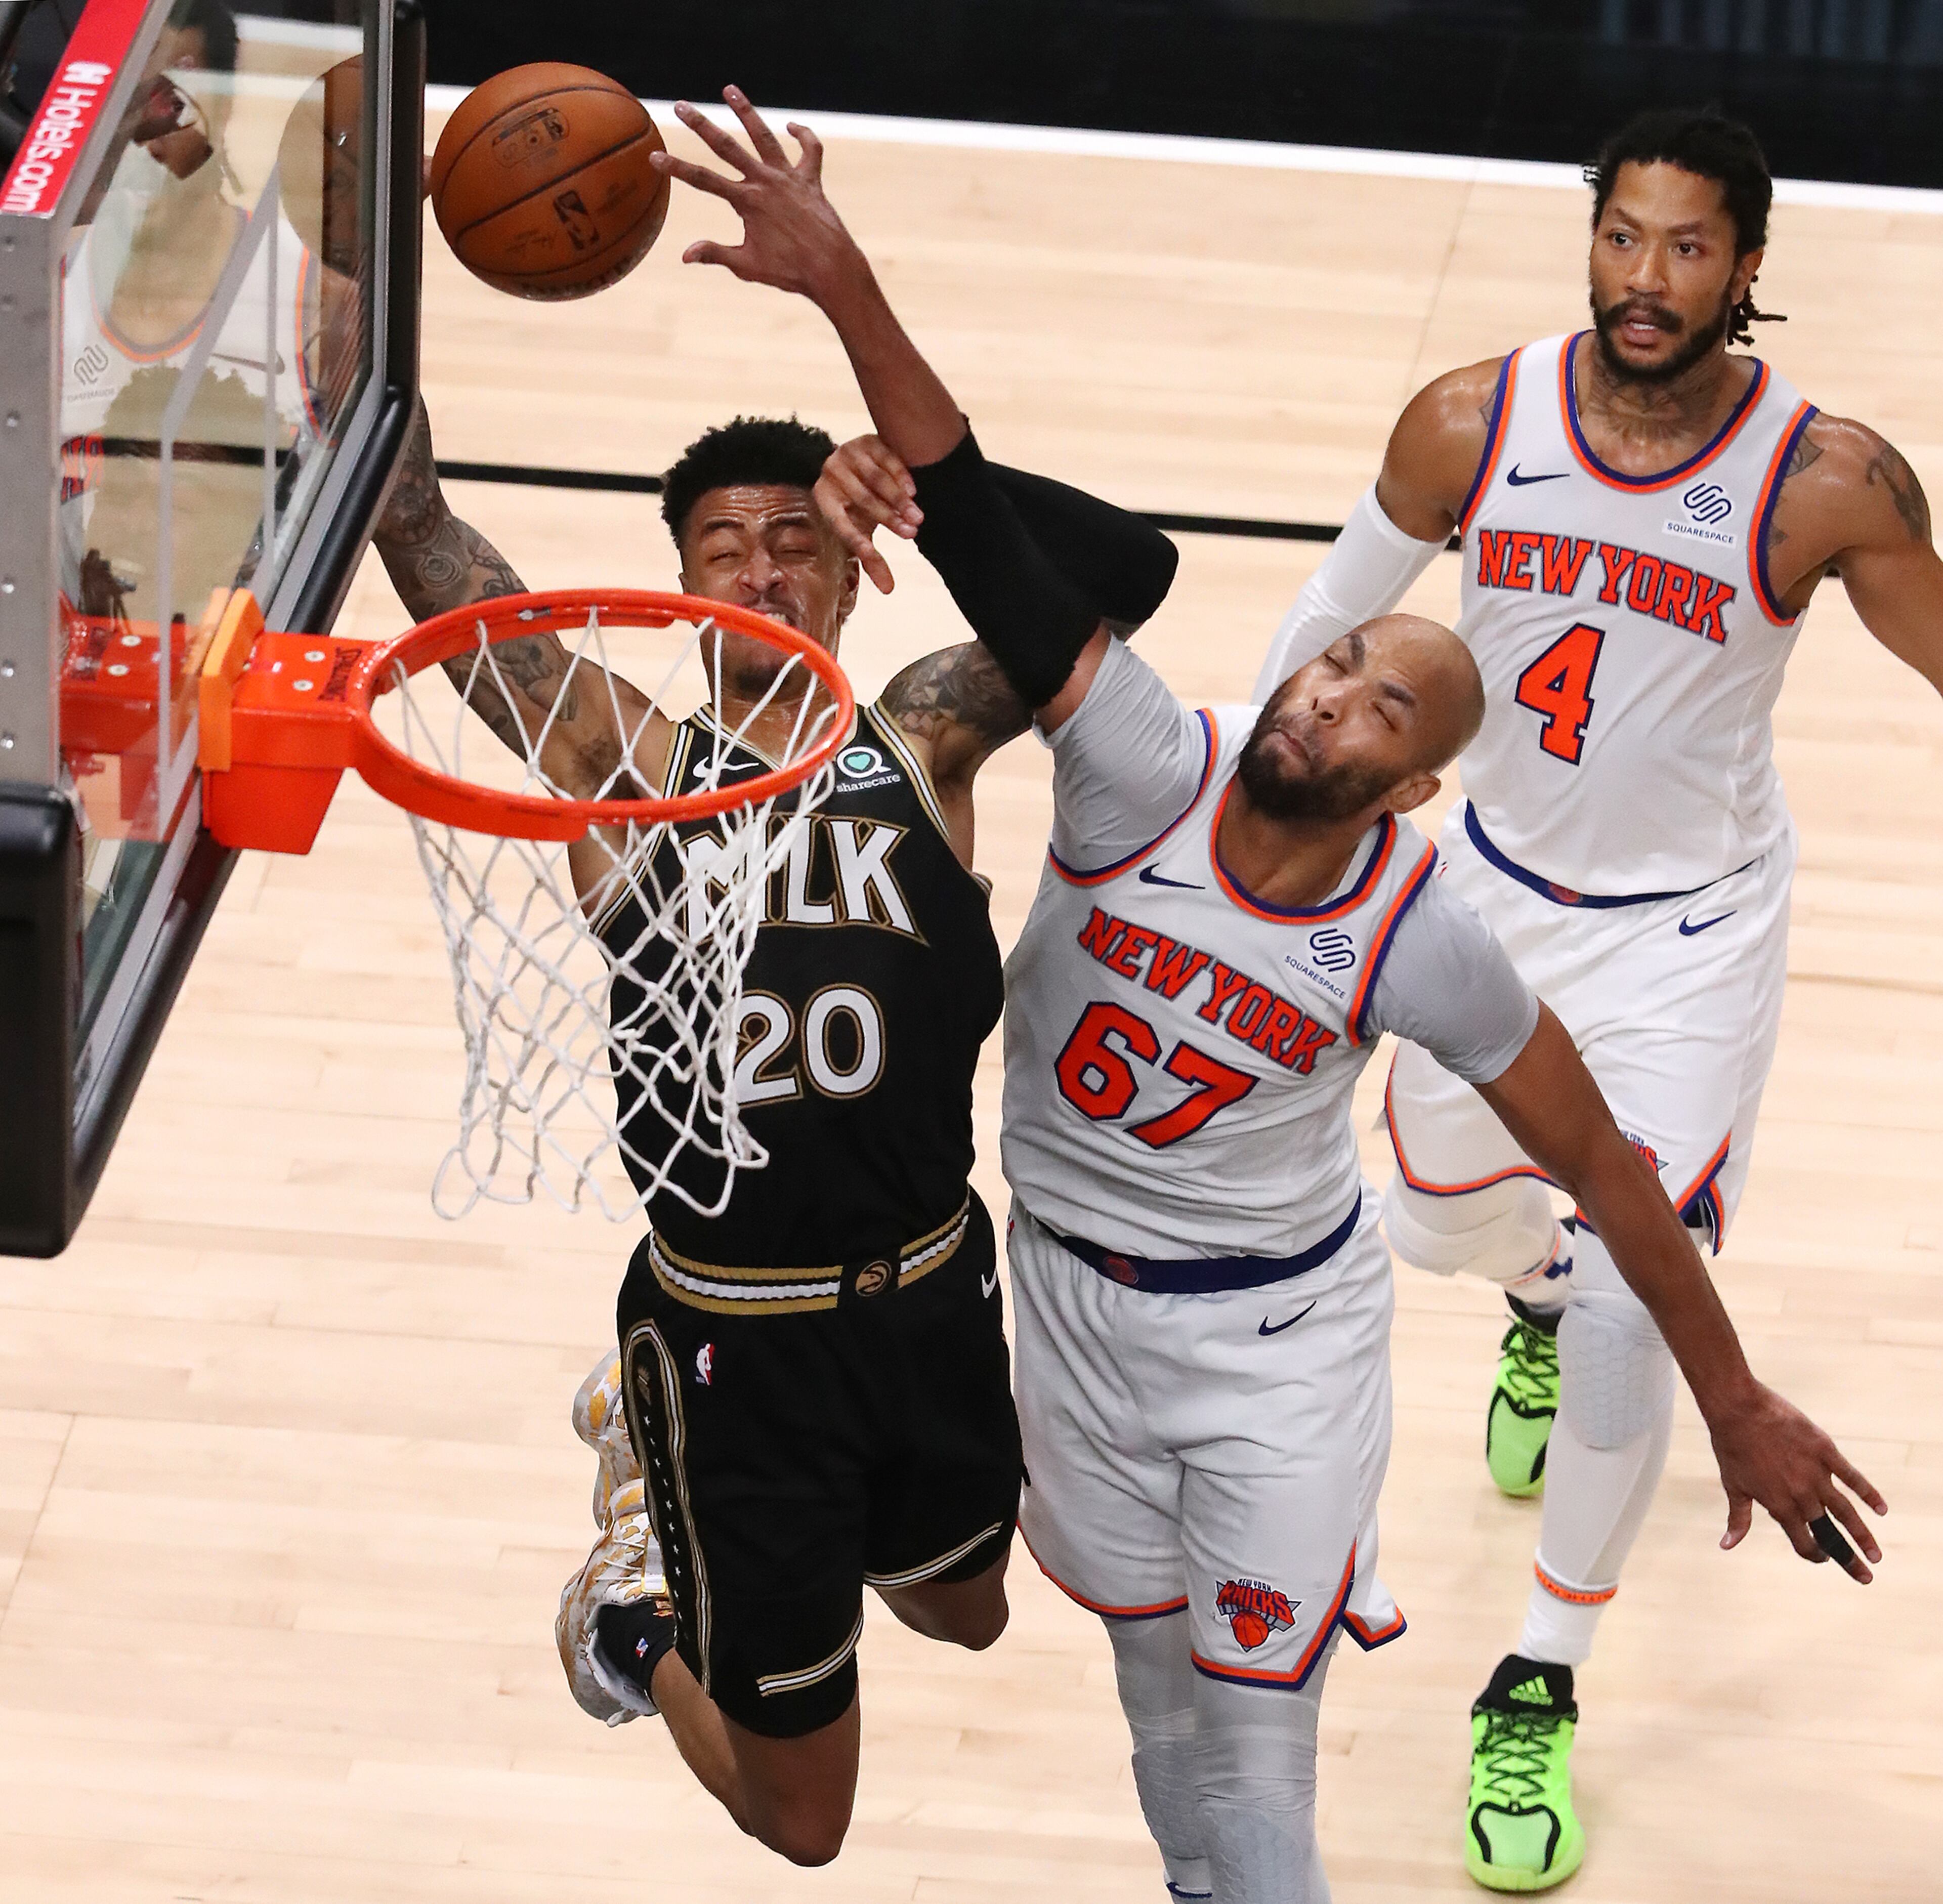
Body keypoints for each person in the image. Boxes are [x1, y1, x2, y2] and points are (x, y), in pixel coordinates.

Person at [654, 89, 1886, 1904]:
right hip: (1069, 1312)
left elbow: (1612, 1170)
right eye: (1336, 664)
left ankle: (1488, 1694)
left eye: (1381, 706)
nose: (1328, 696)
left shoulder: (1420, 928)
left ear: (1413, 791)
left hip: (1276, 1350)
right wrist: (845, 286)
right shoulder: (1143, 763)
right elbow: (986, 519)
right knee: (1163, 1735)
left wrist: (1737, 1395)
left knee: (1254, 1763)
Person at [1250, 106, 1940, 1888]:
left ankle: (1539, 1674)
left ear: (1748, 266)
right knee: (1433, 1223)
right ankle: (1537, 1295)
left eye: (1688, 246)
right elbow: (1320, 626)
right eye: (1623, 236)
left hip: (1689, 937)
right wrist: (1239, 839)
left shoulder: (1827, 481)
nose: (1646, 278)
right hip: (1484, 894)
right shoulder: (1469, 422)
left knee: (1650, 1281)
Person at [369, 381, 1176, 1864]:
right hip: (737, 1336)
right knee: (806, 1825)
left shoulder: (922, 736)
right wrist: (356, 348)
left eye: (799, 542)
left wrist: (925, 488)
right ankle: (630, 1613)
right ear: (681, 590)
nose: (761, 571)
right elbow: (422, 536)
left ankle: (710, 1525)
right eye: (725, 549)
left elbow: (1130, 567)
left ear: (852, 573)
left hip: (926, 1286)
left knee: (969, 1614)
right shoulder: (626, 763)